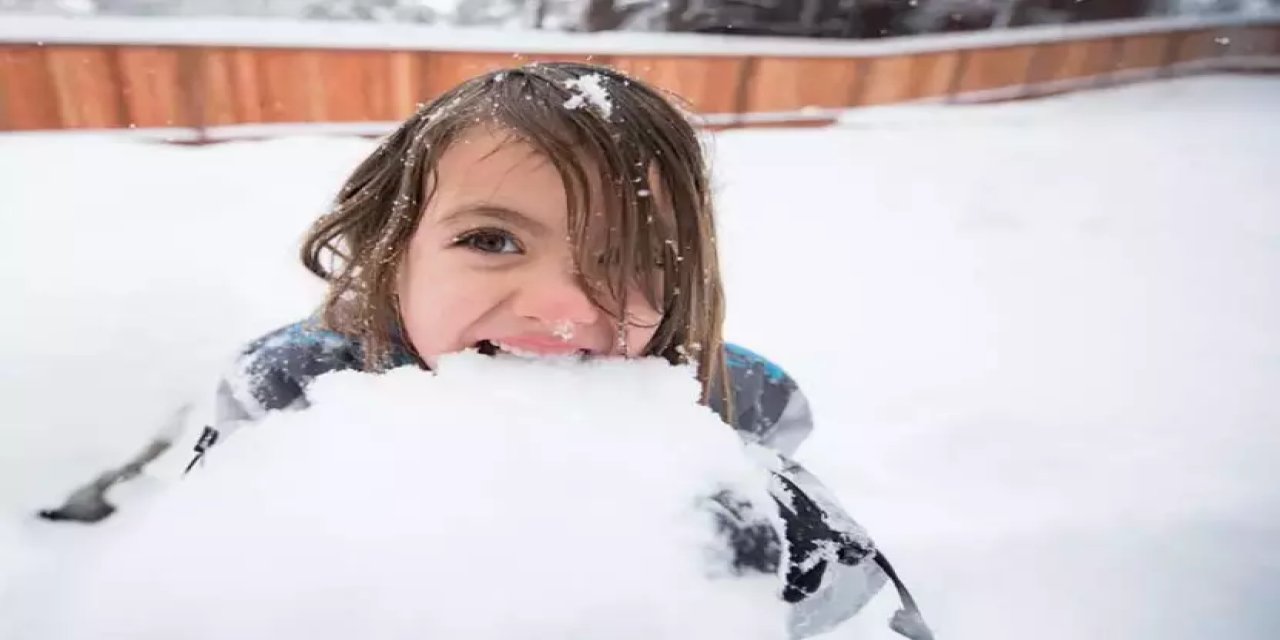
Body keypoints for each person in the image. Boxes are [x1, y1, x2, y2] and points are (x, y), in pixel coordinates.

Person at [189, 62, 930, 640]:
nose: (565, 307)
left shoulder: (733, 404)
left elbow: (850, 609)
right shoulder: (294, 385)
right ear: (394, 255)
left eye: (630, 255)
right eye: (490, 240)